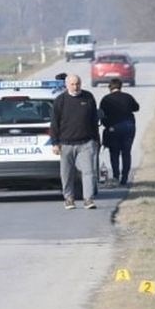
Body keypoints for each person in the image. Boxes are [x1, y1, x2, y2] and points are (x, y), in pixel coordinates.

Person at [51, 74, 99, 209]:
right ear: (67, 85)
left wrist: (96, 139)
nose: (75, 86)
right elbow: (54, 123)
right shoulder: (60, 100)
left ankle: (88, 199)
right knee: (66, 173)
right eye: (72, 84)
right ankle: (69, 198)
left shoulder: (88, 97)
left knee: (89, 171)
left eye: (77, 84)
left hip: (86, 143)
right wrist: (55, 142)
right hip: (66, 143)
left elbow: (94, 119)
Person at [98, 78, 139, 186]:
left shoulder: (106, 99)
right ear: (120, 86)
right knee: (126, 152)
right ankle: (125, 177)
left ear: (110, 87)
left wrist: (107, 124)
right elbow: (136, 108)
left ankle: (116, 176)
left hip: (113, 129)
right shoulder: (128, 97)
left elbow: (101, 115)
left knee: (114, 153)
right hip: (128, 127)